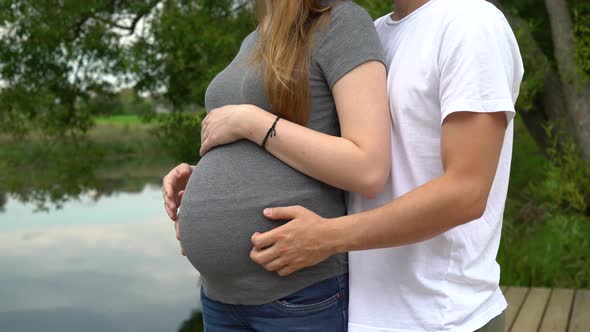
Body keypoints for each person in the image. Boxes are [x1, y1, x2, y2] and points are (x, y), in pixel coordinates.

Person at [165, 0, 524, 331]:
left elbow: (467, 192)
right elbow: (349, 151)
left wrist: (327, 237)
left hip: (444, 316)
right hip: (368, 309)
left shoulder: (472, 23)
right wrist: (223, 187)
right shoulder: (380, 31)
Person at [163, 0, 392, 330]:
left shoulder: (340, 21)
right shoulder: (255, 37)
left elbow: (368, 167)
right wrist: (205, 188)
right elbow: (276, 152)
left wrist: (250, 121)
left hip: (299, 296)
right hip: (219, 298)